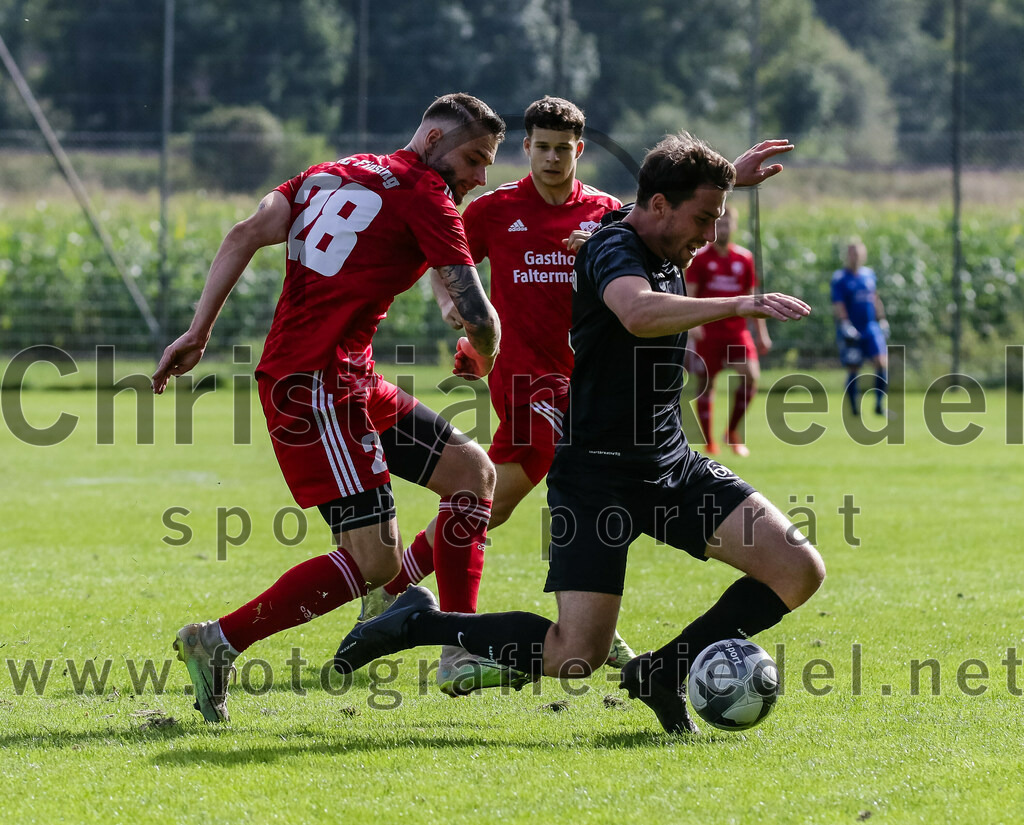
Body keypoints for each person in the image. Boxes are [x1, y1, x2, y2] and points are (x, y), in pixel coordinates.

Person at [333, 132, 826, 735]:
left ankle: (661, 674)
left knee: (798, 569)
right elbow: (637, 312)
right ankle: (419, 623)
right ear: (663, 207)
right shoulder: (613, 250)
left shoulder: (644, 220)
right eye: (704, 219)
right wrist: (736, 304)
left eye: (716, 220)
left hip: (669, 464)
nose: (711, 236)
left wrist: (728, 180)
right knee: (575, 655)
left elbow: (655, 201)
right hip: (596, 477)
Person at [152, 93, 510, 723]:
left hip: (348, 376)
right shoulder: (424, 191)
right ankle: (217, 641)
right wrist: (481, 352)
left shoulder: (331, 172)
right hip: (315, 384)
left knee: (471, 475)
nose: (481, 178)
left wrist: (198, 330)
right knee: (373, 558)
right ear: (431, 139)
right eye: (475, 158)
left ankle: (453, 643)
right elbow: (478, 314)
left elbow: (245, 232)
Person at [351, 96, 636, 691]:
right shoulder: (495, 210)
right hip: (526, 383)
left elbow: (653, 231)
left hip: (588, 386)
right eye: (541, 146)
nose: (552, 157)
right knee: (531, 472)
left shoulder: (605, 214)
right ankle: (502, 637)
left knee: (491, 504)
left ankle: (392, 594)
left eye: (564, 147)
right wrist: (455, 305)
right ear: (526, 148)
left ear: (578, 151)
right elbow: (442, 262)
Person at [685, 206, 771, 456]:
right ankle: (709, 440)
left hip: (736, 331)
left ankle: (732, 432)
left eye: (727, 224)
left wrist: (762, 333)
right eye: (718, 224)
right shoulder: (700, 258)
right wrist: (693, 324)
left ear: (734, 226)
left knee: (751, 376)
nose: (722, 229)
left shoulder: (744, 259)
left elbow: (752, 299)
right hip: (708, 332)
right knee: (706, 384)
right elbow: (690, 293)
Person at [831, 239, 892, 416]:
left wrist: (882, 319)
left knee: (881, 363)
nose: (855, 257)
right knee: (853, 367)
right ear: (847, 256)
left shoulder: (869, 275)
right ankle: (854, 409)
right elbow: (838, 303)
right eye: (852, 254)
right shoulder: (840, 278)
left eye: (858, 254)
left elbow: (875, 298)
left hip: (870, 327)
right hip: (852, 328)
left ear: (863, 255)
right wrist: (845, 324)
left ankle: (879, 406)